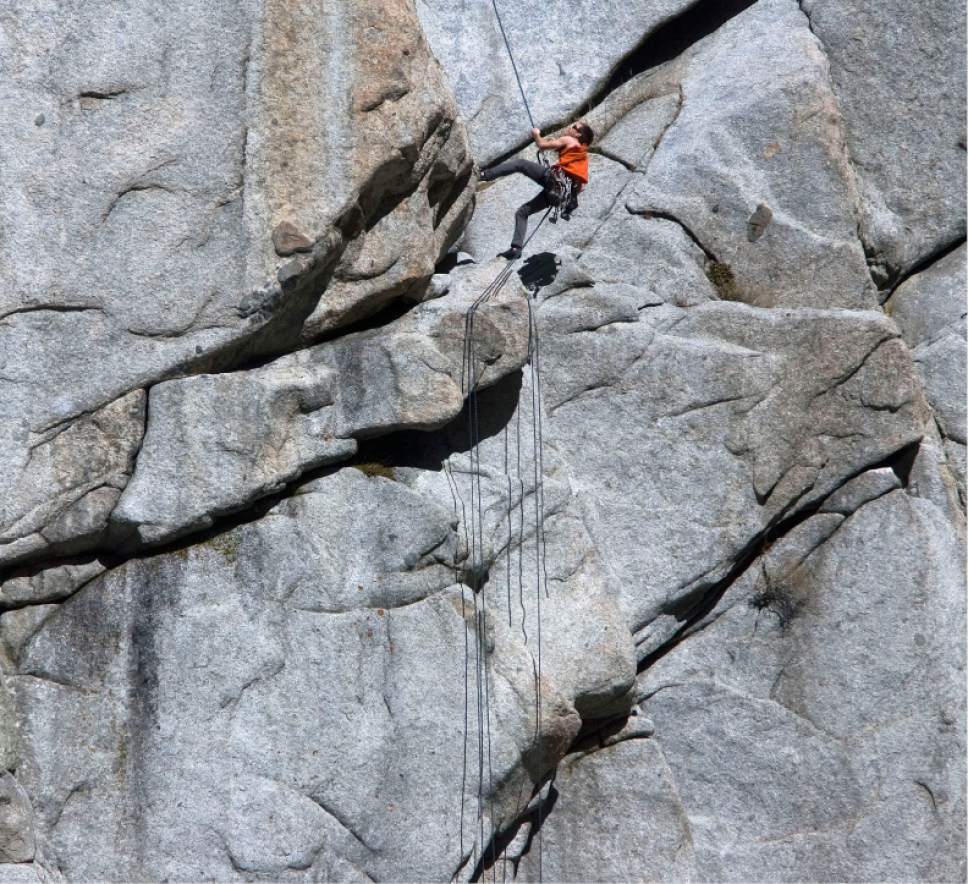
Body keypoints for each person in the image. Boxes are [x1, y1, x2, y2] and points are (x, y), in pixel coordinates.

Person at [479, 121, 594, 260]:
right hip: (561, 195)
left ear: (578, 134)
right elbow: (579, 185)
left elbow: (542, 145)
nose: (570, 128)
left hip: (554, 181)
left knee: (520, 164)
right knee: (523, 212)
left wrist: (536, 135)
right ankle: (516, 248)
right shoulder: (582, 156)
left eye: (574, 127)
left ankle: (484, 175)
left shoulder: (570, 140)